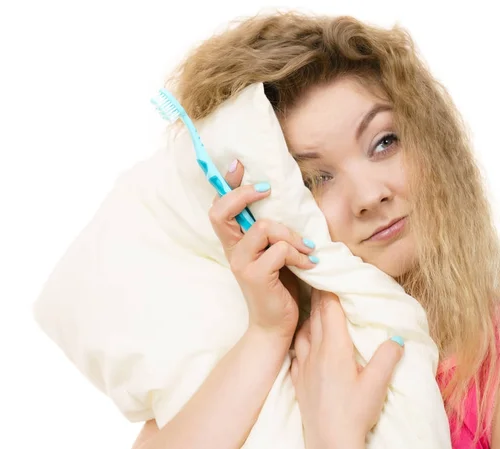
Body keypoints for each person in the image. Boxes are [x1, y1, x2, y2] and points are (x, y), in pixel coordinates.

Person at [131, 11, 500, 449]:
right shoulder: (233, 354)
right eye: (313, 179)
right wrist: (268, 333)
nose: (368, 196)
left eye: (384, 141)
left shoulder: (487, 355)